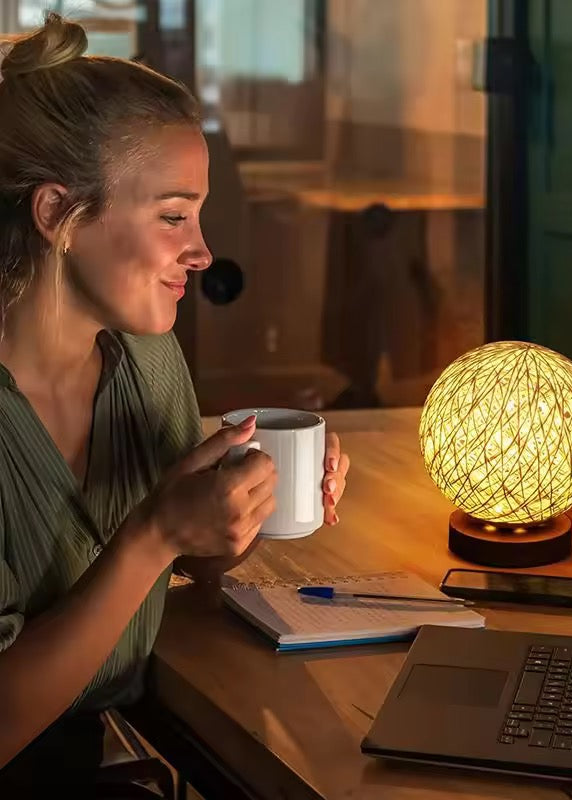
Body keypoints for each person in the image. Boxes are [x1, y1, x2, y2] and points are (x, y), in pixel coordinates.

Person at [0, 13, 350, 795]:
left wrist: (245, 506)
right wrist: (154, 535)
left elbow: (192, 555)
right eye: (171, 216)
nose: (200, 250)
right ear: (58, 214)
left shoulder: (146, 356)